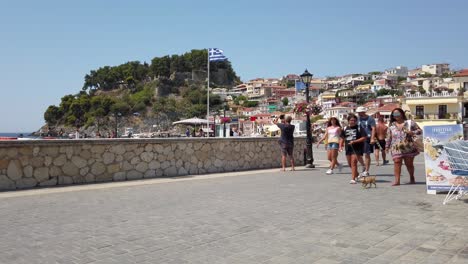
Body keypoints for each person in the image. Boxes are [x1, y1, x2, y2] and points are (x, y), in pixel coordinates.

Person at [385, 108, 422, 186]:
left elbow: (420, 131)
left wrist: (412, 132)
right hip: (396, 147)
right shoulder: (391, 125)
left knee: (409, 164)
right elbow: (389, 137)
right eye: (394, 114)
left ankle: (412, 177)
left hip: (408, 146)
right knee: (397, 162)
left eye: (398, 114)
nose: (396, 116)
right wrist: (387, 146)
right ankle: (397, 180)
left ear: (402, 114)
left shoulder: (410, 123)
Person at [340, 114, 367, 184]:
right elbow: (342, 138)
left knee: (353, 162)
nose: (353, 121)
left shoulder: (359, 128)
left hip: (357, 148)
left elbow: (364, 137)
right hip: (348, 148)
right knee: (350, 164)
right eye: (351, 120)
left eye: (355, 120)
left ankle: (353, 179)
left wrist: (354, 141)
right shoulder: (345, 128)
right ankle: (357, 174)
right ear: (348, 121)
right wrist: (340, 146)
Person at [356, 106, 376, 177]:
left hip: (367, 138)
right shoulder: (357, 119)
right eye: (358, 112)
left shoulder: (370, 119)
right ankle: (363, 165)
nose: (358, 113)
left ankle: (367, 170)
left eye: (359, 112)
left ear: (363, 112)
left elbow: (373, 129)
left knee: (367, 154)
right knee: (357, 154)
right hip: (359, 138)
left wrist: (372, 138)